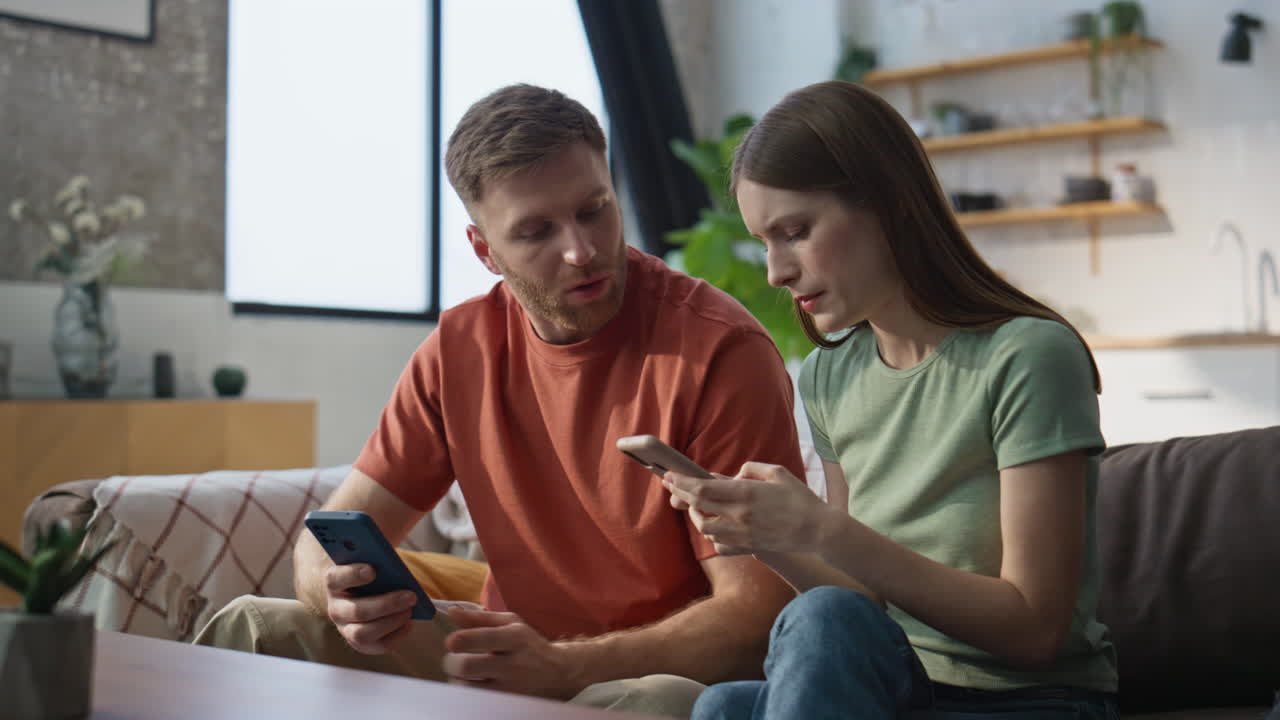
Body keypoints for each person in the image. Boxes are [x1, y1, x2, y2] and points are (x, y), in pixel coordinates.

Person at [193, 84, 804, 718]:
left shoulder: (718, 351)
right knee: (253, 627)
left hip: (641, 673)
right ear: (485, 250)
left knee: (665, 703)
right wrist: (336, 593)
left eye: (594, 209)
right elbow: (325, 537)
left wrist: (562, 666)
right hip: (499, 665)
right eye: (537, 230)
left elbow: (757, 616)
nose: (581, 250)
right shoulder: (459, 349)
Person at [660, 80, 1119, 719]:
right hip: (903, 689)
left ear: (890, 204)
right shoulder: (828, 378)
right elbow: (863, 602)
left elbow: (1036, 630)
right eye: (766, 242)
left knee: (814, 626)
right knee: (720, 706)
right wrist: (767, 538)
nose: (776, 272)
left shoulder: (1026, 357)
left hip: (1027, 700)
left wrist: (822, 528)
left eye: (795, 231)